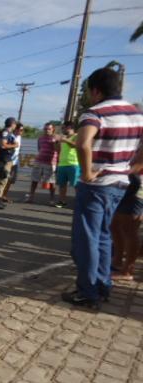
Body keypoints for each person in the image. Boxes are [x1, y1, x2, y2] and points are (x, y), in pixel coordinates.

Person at [62, 67, 143, 306]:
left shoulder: (95, 113)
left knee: (87, 238)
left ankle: (88, 292)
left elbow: (83, 143)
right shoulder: (137, 114)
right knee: (104, 236)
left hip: (97, 184)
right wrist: (134, 167)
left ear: (96, 90)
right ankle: (103, 285)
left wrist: (87, 173)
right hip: (121, 182)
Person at [111, 142, 143, 281]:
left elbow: (136, 164)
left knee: (129, 229)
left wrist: (118, 171)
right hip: (126, 184)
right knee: (115, 225)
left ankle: (127, 270)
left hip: (137, 187)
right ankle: (117, 261)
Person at [25, 123, 59, 205]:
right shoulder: (40, 138)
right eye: (45, 129)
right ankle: (31, 197)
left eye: (49, 129)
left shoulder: (55, 138)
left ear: (53, 129)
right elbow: (39, 149)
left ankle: (52, 199)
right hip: (39, 161)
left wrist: (55, 141)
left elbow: (58, 150)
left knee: (51, 182)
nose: (47, 130)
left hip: (50, 163)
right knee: (34, 180)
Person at [0, 117, 19, 209]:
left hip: (7, 159)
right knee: (2, 179)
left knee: (4, 180)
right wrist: (15, 145)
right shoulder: (5, 132)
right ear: (12, 124)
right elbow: (3, 145)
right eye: (15, 124)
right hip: (4, 159)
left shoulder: (8, 132)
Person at [55, 122, 80, 208]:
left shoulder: (77, 136)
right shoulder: (63, 138)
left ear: (69, 127)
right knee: (62, 185)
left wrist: (65, 140)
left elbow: (75, 145)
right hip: (62, 164)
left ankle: (79, 202)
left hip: (73, 163)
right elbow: (58, 150)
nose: (62, 130)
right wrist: (57, 142)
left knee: (76, 185)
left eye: (64, 128)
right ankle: (62, 201)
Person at [1, 122, 24, 202]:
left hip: (15, 162)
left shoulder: (19, 137)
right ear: (16, 129)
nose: (21, 132)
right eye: (20, 130)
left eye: (22, 130)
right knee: (5, 179)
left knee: (11, 180)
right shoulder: (11, 136)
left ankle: (4, 195)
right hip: (8, 161)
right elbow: (4, 146)